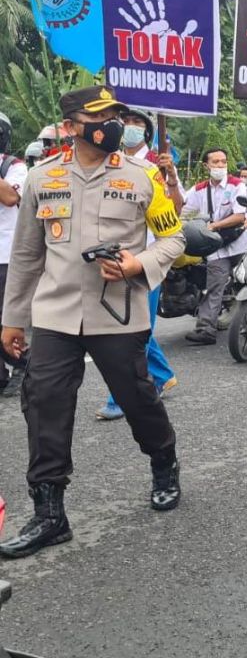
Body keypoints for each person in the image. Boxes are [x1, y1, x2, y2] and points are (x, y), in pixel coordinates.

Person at [0, 85, 185, 560]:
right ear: (70, 127)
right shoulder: (43, 178)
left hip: (118, 313)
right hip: (56, 314)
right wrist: (13, 320)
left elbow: (173, 240)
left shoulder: (143, 177)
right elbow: (25, 255)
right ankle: (49, 513)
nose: (112, 124)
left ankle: (163, 460)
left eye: (115, 116)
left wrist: (136, 264)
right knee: (43, 404)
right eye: (100, 116)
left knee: (136, 397)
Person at [95, 108, 186, 420]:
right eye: (126, 122)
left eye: (137, 123)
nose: (129, 127)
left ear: (147, 132)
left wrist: (171, 177)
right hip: (112, 258)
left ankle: (120, 396)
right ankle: (161, 375)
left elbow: (175, 210)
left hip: (146, 259)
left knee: (130, 332)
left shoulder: (156, 165)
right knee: (133, 327)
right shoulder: (111, 160)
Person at [180, 147, 247, 345]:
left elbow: (239, 216)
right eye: (216, 162)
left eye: (223, 162)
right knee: (214, 286)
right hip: (215, 246)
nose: (220, 166)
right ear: (206, 165)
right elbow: (180, 206)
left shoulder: (237, 185)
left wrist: (213, 226)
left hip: (240, 243)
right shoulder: (200, 189)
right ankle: (205, 329)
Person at [0, 112, 28, 397]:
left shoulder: (14, 167)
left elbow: (10, 198)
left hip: (5, 257)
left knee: (7, 319)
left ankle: (25, 365)